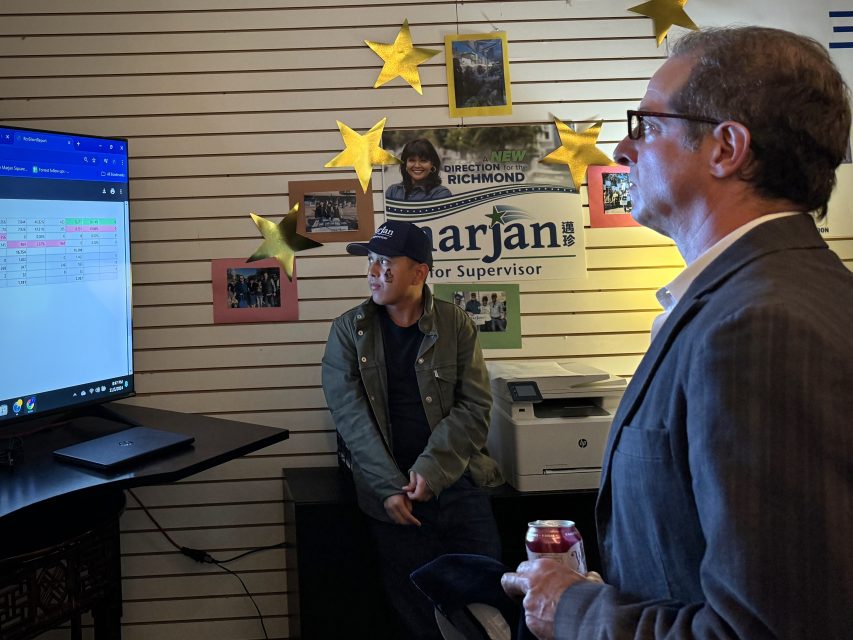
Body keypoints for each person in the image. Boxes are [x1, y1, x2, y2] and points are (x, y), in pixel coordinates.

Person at [502, 26, 853, 640]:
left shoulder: (760, 326)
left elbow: (763, 631)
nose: (621, 150)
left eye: (646, 125)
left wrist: (572, 608)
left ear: (726, 148)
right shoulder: (758, 297)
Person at [321, 220, 503, 640]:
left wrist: (433, 469)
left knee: (486, 609)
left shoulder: (457, 324)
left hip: (458, 485)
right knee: (418, 619)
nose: (372, 272)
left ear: (419, 272)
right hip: (392, 498)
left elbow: (475, 406)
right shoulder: (349, 331)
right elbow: (350, 419)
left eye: (385, 262)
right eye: (370, 260)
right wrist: (388, 487)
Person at [385, 138, 452, 201]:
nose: (417, 165)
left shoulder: (441, 194)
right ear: (405, 163)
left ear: (432, 164)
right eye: (412, 160)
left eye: (423, 160)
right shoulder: (392, 191)